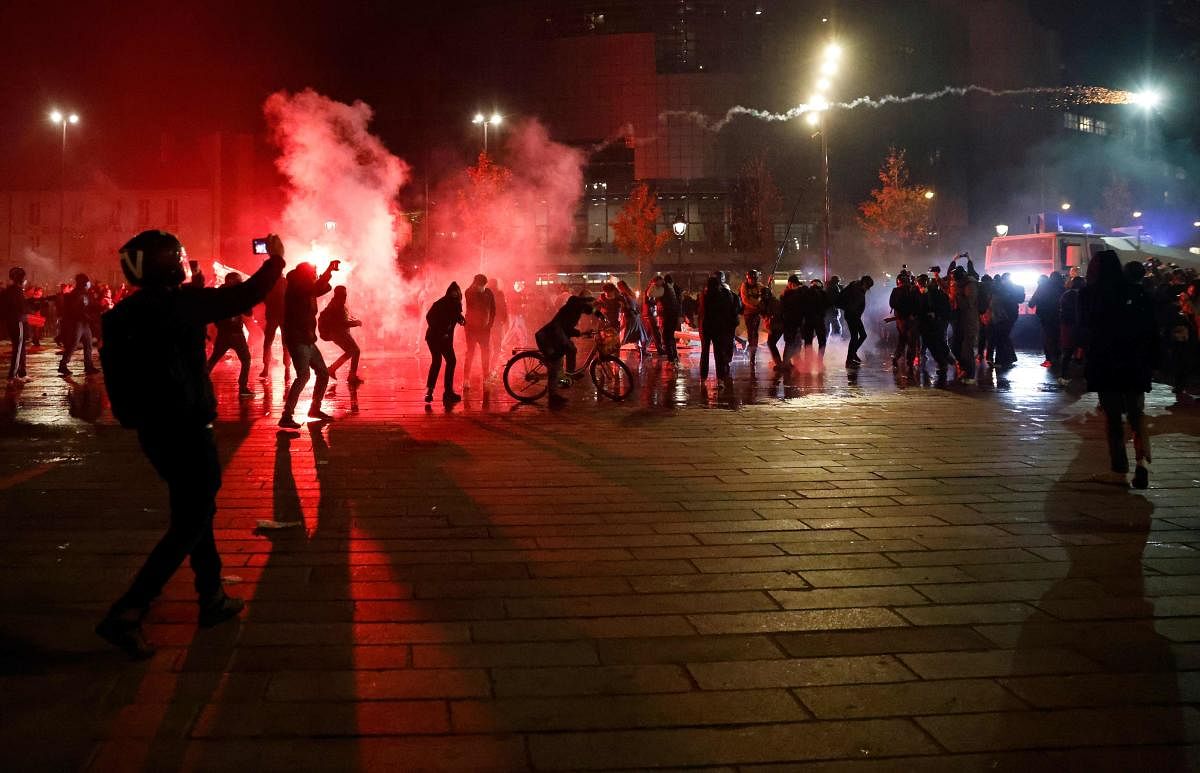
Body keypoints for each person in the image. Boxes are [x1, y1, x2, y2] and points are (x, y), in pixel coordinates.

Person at [95, 230, 285, 659]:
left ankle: (211, 594)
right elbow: (245, 295)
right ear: (167, 264)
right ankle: (129, 610)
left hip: (153, 430)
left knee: (195, 510)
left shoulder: (124, 314)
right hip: (186, 427)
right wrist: (275, 259)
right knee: (190, 519)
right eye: (177, 258)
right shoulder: (177, 305)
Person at [1082, 253, 1158, 488]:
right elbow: (1151, 328)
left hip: (1106, 363)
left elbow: (1084, 330)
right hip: (1135, 362)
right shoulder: (1136, 292)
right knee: (1137, 414)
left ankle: (1118, 468)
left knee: (1113, 417)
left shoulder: (1088, 294)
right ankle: (1142, 462)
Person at [279, 260, 337, 429]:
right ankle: (286, 416)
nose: (315, 274)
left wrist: (325, 275)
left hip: (307, 339)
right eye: (313, 271)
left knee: (323, 373)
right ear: (306, 273)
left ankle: (315, 409)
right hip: (298, 339)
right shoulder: (297, 287)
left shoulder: (306, 288)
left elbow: (324, 288)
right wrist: (327, 271)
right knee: (304, 376)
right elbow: (316, 288)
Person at [535, 292, 604, 406]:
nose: (585, 308)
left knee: (571, 350)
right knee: (555, 367)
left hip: (556, 339)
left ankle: (569, 374)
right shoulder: (570, 310)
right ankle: (553, 398)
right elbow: (566, 329)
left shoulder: (576, 307)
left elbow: (589, 310)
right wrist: (582, 333)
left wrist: (600, 315)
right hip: (547, 339)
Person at [205, 272, 255, 398]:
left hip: (223, 333)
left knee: (214, 359)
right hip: (236, 333)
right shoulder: (237, 295)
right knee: (246, 359)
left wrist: (219, 326)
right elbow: (248, 313)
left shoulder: (219, 294)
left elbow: (213, 314)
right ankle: (243, 387)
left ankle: (200, 383)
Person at [424, 282, 464, 403]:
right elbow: (429, 317)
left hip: (443, 338)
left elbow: (456, 315)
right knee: (441, 361)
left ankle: (441, 392)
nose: (455, 295)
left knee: (445, 361)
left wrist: (461, 319)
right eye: (453, 293)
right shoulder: (441, 303)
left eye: (456, 294)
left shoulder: (455, 304)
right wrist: (441, 331)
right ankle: (438, 392)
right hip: (435, 337)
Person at [697, 273, 739, 382]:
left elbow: (700, 311)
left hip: (705, 327)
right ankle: (720, 378)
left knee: (704, 352)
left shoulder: (703, 295)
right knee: (718, 353)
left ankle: (703, 377)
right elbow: (729, 309)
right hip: (718, 327)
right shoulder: (724, 294)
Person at [319, 285, 364, 385]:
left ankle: (332, 369)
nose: (345, 296)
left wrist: (354, 321)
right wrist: (355, 323)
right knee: (355, 351)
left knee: (350, 352)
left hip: (337, 333)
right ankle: (351, 376)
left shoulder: (336, 303)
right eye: (344, 294)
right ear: (340, 294)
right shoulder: (337, 305)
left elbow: (345, 318)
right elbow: (341, 323)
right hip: (338, 333)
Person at [58, 273, 101, 376]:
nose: (89, 283)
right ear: (84, 283)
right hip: (77, 323)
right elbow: (76, 310)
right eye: (87, 282)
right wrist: (87, 316)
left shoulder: (85, 293)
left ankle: (89, 366)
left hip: (84, 323)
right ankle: (63, 365)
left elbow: (91, 305)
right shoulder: (77, 294)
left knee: (88, 344)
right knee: (73, 344)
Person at [462, 273, 496, 385]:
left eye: (484, 285)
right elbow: (473, 305)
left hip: (485, 329)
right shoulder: (469, 292)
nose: (483, 287)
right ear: (476, 284)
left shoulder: (489, 292)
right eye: (481, 285)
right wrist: (478, 291)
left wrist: (489, 325)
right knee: (470, 353)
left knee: (485, 353)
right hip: (471, 328)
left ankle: (486, 377)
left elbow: (493, 310)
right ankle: (466, 379)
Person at [916, 273, 951, 377]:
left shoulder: (929, 294)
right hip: (935, 323)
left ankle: (945, 362)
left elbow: (924, 308)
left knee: (933, 344)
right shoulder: (940, 294)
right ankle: (947, 360)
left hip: (930, 324)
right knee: (938, 342)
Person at [1029, 271, 1065, 370]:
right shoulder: (1062, 288)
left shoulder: (1043, 287)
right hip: (1059, 314)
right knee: (1057, 335)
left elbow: (1032, 302)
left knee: (1047, 335)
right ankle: (1057, 356)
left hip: (1044, 315)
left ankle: (1049, 358)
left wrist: (1033, 304)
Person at [952, 266, 980, 384]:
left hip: (969, 320)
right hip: (961, 321)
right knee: (956, 346)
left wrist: (957, 295)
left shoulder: (970, 285)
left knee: (967, 349)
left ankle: (970, 375)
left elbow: (968, 303)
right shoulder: (962, 284)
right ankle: (964, 369)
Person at [259, 272, 290, 379]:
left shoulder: (268, 283)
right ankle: (287, 370)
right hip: (284, 316)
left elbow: (263, 298)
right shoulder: (286, 282)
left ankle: (266, 369)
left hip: (272, 315)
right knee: (286, 344)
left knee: (268, 343)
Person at [2, 267, 30, 380]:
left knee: (21, 347)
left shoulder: (10, 290)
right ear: (20, 278)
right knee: (18, 348)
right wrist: (32, 308)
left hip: (13, 321)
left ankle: (22, 372)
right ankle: (12, 375)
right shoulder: (16, 291)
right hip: (18, 322)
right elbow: (21, 307)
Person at [889, 271, 920, 371]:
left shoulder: (895, 290)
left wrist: (900, 312)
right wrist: (912, 313)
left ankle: (896, 357)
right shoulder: (913, 290)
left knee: (902, 340)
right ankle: (910, 362)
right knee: (912, 342)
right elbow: (918, 303)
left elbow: (892, 304)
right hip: (911, 319)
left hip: (900, 319)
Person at [841, 275, 873, 368]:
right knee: (855, 337)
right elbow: (854, 305)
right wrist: (855, 314)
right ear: (864, 283)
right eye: (868, 286)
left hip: (854, 315)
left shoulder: (857, 287)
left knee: (862, 335)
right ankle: (849, 359)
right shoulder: (856, 289)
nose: (868, 289)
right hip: (852, 315)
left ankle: (852, 354)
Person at [778, 274, 806, 369]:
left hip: (794, 322)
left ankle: (792, 362)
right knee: (791, 343)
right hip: (791, 322)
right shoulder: (788, 294)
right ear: (790, 284)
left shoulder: (788, 294)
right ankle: (786, 363)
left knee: (795, 343)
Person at [739, 269, 765, 365]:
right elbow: (745, 300)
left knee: (755, 333)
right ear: (748, 278)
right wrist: (755, 307)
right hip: (748, 313)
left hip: (757, 313)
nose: (752, 281)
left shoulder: (758, 285)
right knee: (751, 333)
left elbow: (765, 292)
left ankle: (754, 351)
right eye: (751, 279)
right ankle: (752, 355)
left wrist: (767, 289)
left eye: (754, 279)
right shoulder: (744, 286)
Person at [616, 279, 648, 355]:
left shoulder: (623, 295)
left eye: (619, 286)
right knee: (635, 333)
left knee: (630, 333)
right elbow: (635, 304)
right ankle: (641, 350)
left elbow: (625, 306)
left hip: (630, 315)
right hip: (634, 315)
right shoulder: (630, 294)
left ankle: (641, 350)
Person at [658, 274, 682, 363]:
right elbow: (679, 303)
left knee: (666, 337)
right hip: (673, 315)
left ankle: (671, 358)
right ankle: (674, 356)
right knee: (671, 337)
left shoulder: (666, 288)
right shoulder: (674, 288)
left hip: (668, 316)